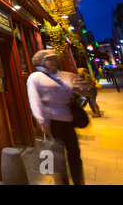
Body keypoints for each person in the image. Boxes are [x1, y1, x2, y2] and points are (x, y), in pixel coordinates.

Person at [27, 50, 93, 185]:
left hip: (68, 121)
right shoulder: (35, 77)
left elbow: (82, 90)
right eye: (49, 59)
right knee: (58, 159)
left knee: (75, 154)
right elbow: (35, 101)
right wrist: (43, 122)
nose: (53, 61)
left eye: (54, 58)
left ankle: (79, 181)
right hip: (52, 123)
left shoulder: (63, 75)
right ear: (41, 61)